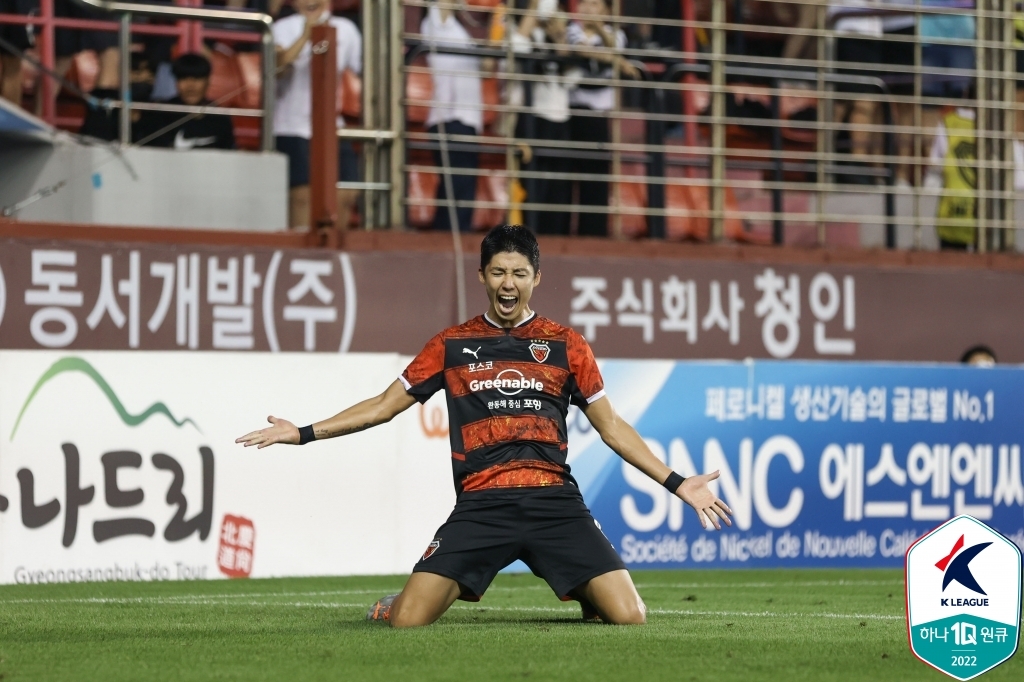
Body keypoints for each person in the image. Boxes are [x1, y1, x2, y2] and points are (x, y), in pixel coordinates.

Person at [236, 224, 733, 628]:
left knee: (631, 618)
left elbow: (612, 427)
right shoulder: (452, 344)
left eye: (519, 272)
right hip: (482, 505)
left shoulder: (567, 345)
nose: (508, 284)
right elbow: (383, 406)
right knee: (407, 621)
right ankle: (398, 600)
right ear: (482, 276)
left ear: (536, 278)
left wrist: (676, 483)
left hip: (554, 504)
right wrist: (302, 432)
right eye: (498, 272)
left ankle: (589, 588)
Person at [272, 0, 362, 230]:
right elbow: (277, 68)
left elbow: (362, 71)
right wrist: (305, 36)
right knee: (303, 197)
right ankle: (297, 255)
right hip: (291, 127)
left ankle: (333, 255)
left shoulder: (347, 29)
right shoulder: (282, 27)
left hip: (332, 126)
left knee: (347, 192)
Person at [567, 0, 639, 236]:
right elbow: (580, 50)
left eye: (595, 4)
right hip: (572, 113)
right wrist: (618, 62)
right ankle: (564, 231)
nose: (588, 9)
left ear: (607, 11)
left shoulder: (615, 34)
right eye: (584, 4)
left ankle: (593, 232)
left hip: (598, 116)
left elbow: (614, 47)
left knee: (596, 178)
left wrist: (601, 34)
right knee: (567, 177)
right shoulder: (571, 30)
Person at [509, 0, 576, 234]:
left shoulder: (557, 37)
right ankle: (530, 238)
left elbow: (571, 79)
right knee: (535, 185)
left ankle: (557, 235)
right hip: (534, 117)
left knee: (559, 188)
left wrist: (559, 37)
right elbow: (517, 45)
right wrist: (535, 9)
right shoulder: (525, 31)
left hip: (561, 118)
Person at [421, 0, 485, 233]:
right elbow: (440, 10)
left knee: (463, 185)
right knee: (455, 184)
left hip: (467, 118)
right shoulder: (435, 23)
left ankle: (455, 233)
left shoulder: (461, 32)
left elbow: (486, 66)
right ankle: (447, 235)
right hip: (449, 115)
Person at [136, 53, 235, 150]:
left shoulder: (220, 118)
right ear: (176, 82)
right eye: (183, 78)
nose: (190, 86)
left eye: (197, 78)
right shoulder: (161, 114)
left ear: (208, 81)